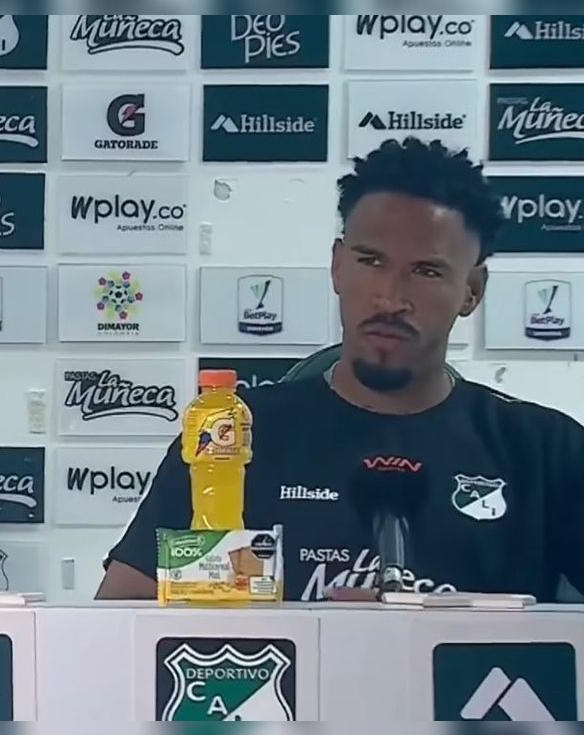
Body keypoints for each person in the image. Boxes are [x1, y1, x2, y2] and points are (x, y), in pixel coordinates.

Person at [98, 137, 584, 603]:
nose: (390, 298)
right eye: (371, 261)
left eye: (427, 271)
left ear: (472, 290)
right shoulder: (232, 435)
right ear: (336, 266)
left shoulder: (545, 450)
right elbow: (122, 618)